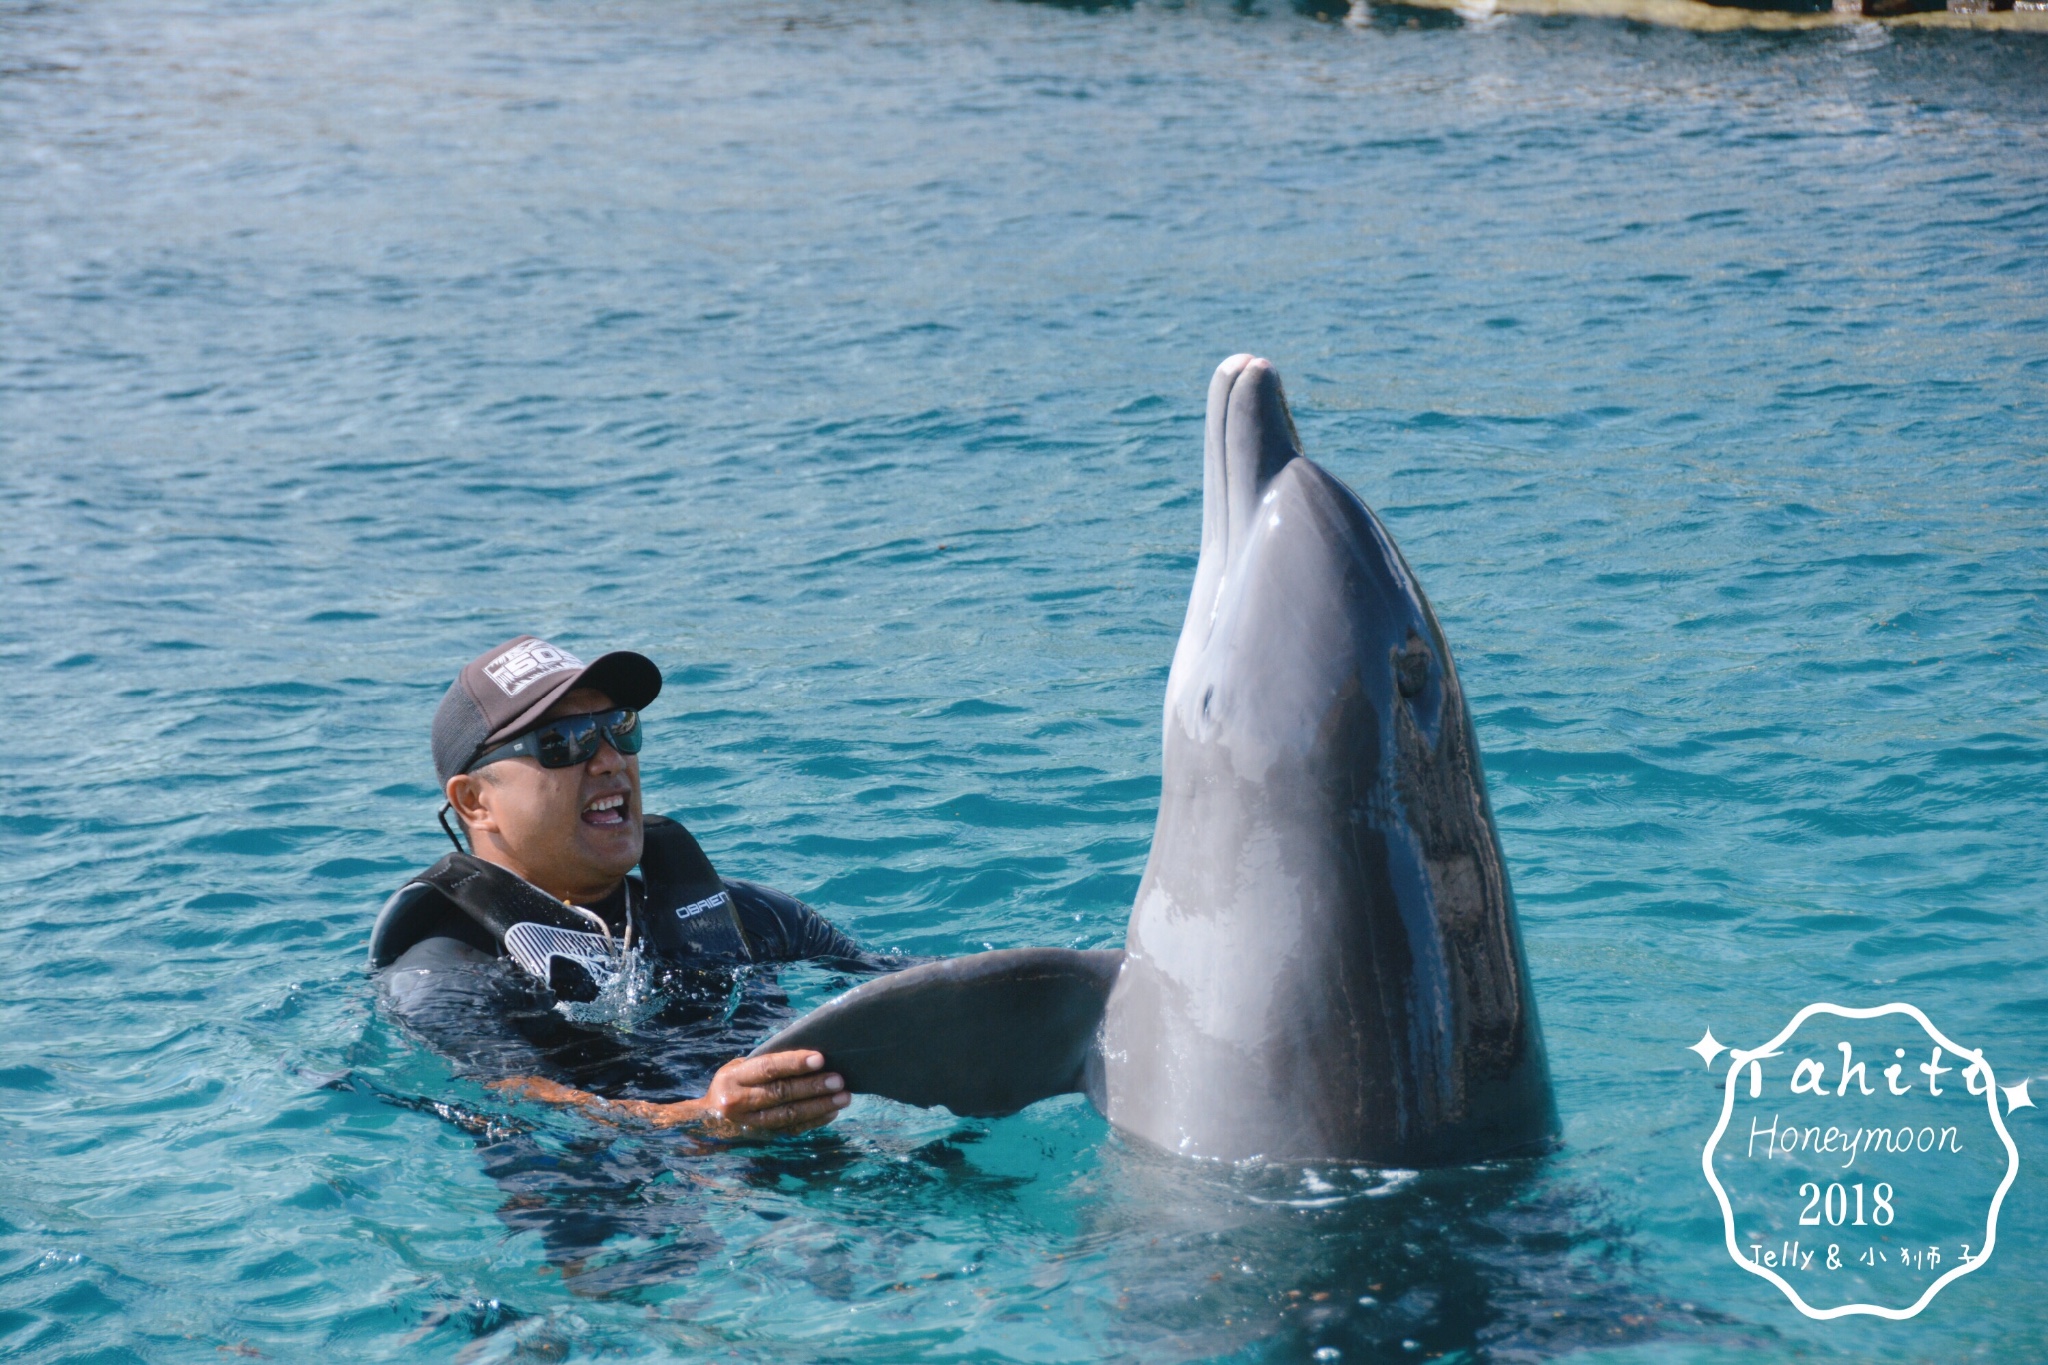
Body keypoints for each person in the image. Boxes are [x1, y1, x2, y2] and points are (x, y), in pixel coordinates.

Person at [370, 635, 879, 1139]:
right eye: (562, 742)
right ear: (475, 802)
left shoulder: (748, 917)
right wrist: (702, 1119)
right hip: (600, 1192)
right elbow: (521, 1107)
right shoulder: (443, 977)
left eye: (620, 727)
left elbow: (900, 996)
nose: (610, 759)